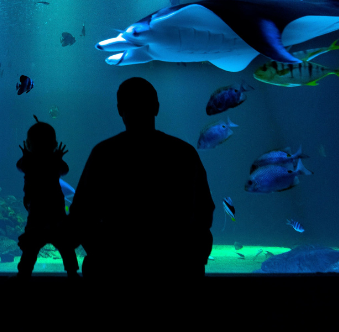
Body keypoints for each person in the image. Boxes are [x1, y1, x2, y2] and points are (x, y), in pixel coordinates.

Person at [68, 77, 214, 284]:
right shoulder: (183, 153)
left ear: (119, 109)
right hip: (176, 268)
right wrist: (194, 257)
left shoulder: (104, 154)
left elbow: (81, 215)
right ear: (156, 108)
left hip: (114, 268)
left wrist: (100, 252)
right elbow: (204, 211)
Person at [15, 118, 79, 278]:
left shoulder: (29, 163)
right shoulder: (54, 162)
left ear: (28, 145)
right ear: (55, 144)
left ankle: (23, 275)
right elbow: (65, 170)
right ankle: (73, 274)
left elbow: (20, 166)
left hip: (36, 214)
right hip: (57, 214)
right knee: (66, 246)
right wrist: (57, 158)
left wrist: (27, 156)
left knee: (30, 247)